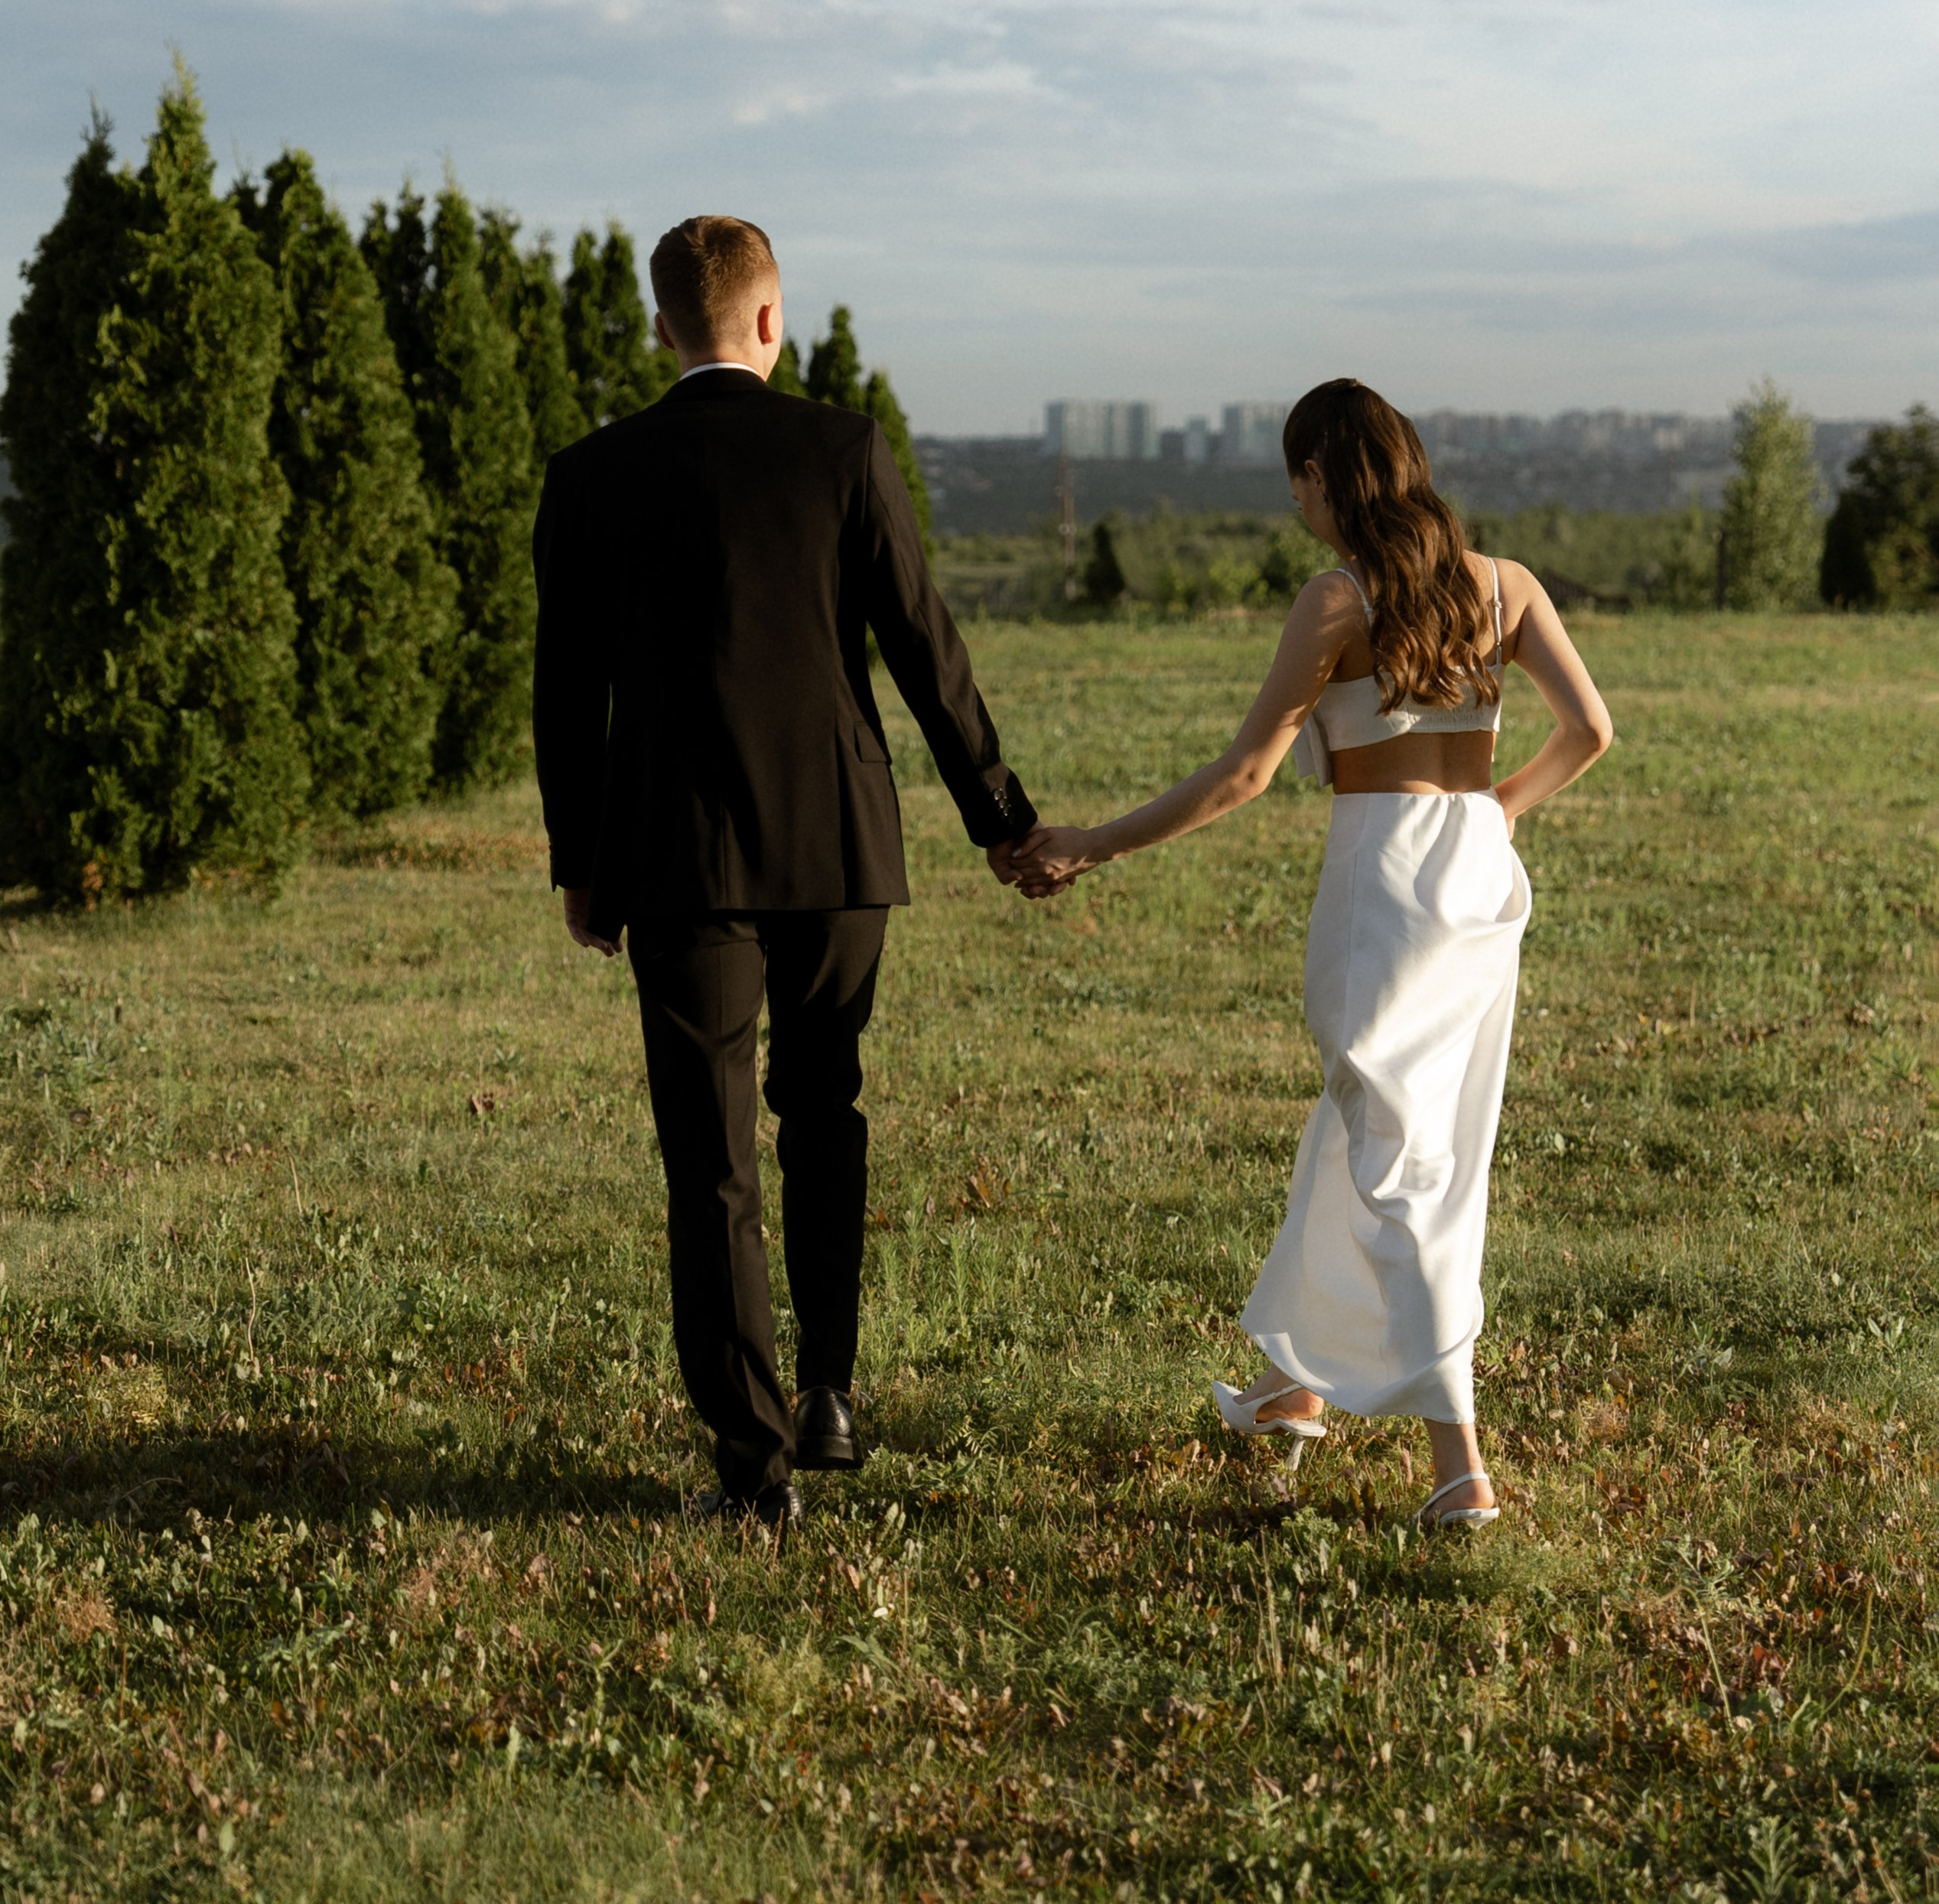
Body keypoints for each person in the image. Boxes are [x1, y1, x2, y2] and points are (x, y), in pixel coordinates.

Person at [1014, 377, 1612, 1528]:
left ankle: (1460, 1465)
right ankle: (1294, 1385)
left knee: (1400, 1157)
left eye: (1300, 479)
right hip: (1477, 879)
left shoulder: (1338, 601)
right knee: (1367, 1120)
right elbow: (1590, 730)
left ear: (1326, 478)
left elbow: (1242, 774)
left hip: (1383, 883)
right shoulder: (1508, 586)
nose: (1297, 503)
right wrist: (1497, 811)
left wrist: (1089, 844)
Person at [532, 216, 1036, 1533]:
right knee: (826, 1112)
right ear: (770, 320)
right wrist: (1001, 818)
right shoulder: (842, 449)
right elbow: (929, 648)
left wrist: (578, 865)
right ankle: (828, 1390)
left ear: (660, 328)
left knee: (711, 1160)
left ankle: (754, 1474)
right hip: (838, 848)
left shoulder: (592, 473)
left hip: (677, 856)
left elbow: (562, 693)